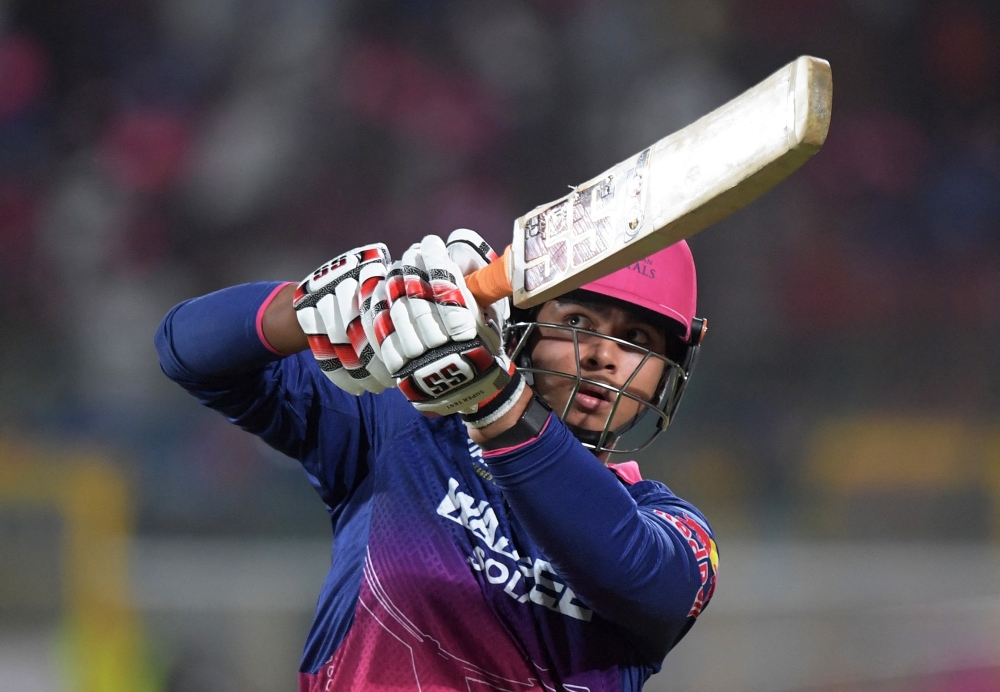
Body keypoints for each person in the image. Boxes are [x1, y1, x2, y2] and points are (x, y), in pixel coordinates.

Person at [155, 229, 717, 692]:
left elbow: (635, 572)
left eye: (638, 338)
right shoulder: (403, 428)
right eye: (575, 323)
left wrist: (490, 397)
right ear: (520, 324)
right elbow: (186, 351)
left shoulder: (676, 532)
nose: (602, 356)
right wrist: (322, 305)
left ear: (668, 373)